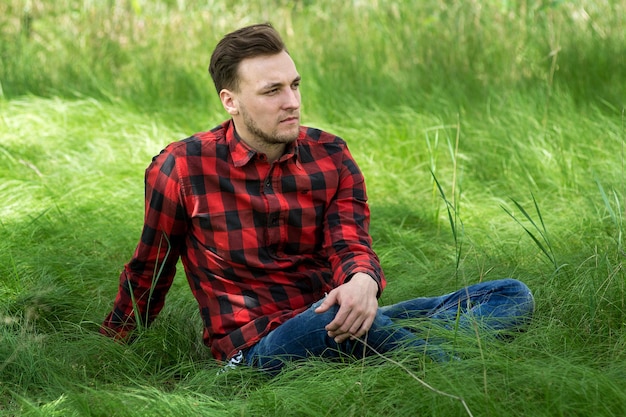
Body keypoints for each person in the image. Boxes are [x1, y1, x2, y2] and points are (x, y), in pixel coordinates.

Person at [100, 23, 534, 374]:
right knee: (327, 323)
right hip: (256, 350)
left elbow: (349, 242)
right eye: (273, 91)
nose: (292, 102)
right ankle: (461, 370)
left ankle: (383, 343)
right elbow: (149, 271)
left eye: (295, 85)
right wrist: (107, 351)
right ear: (230, 101)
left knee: (510, 294)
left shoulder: (330, 154)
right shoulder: (182, 168)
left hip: (335, 315)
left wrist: (363, 282)